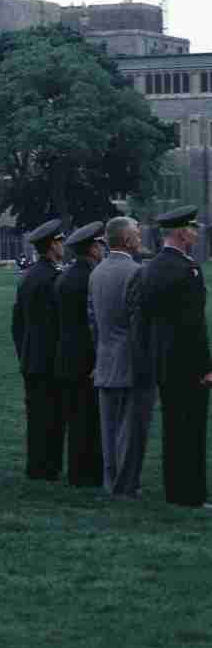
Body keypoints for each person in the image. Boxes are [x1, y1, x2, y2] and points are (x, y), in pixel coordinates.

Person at [141, 205, 212, 508]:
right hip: (188, 362)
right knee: (192, 429)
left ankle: (175, 491)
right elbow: (193, 325)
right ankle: (191, 495)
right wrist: (206, 367)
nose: (196, 233)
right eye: (193, 228)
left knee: (173, 428)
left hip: (162, 359)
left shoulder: (151, 267)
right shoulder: (189, 269)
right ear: (183, 233)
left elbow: (144, 317)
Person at [88, 216, 155, 499]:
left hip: (105, 359)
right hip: (131, 361)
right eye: (137, 234)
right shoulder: (137, 272)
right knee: (132, 430)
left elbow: (92, 321)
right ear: (127, 240)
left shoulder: (97, 272)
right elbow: (139, 323)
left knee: (109, 429)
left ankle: (110, 481)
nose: (140, 239)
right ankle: (126, 488)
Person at [12, 218, 66, 480]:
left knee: (36, 415)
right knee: (53, 416)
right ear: (52, 245)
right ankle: (49, 466)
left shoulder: (28, 277)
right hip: (51, 358)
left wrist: (23, 352)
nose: (63, 246)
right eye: (60, 241)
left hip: (30, 356)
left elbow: (17, 324)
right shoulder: (55, 278)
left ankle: (35, 465)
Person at [55, 222, 104, 487]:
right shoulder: (91, 277)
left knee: (76, 417)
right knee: (89, 417)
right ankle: (89, 473)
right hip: (86, 356)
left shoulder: (65, 276)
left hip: (66, 353)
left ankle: (77, 471)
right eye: (99, 245)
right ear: (93, 248)